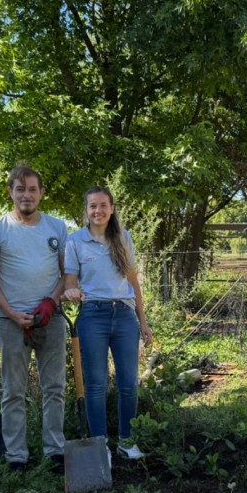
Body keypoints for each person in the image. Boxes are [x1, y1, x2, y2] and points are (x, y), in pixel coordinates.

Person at [62, 186, 153, 459]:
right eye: (92, 206)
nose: (98, 211)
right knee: (96, 384)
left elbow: (134, 283)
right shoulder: (75, 241)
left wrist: (143, 322)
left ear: (112, 209)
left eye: (103, 205)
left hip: (124, 316)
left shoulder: (123, 238)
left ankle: (127, 441)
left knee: (129, 382)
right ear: (86, 210)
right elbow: (69, 282)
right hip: (92, 316)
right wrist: (71, 292)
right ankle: (99, 445)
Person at [0, 164, 69, 472]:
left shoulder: (57, 228)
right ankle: (16, 456)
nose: (26, 195)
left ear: (41, 193)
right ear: (10, 192)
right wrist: (10, 313)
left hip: (52, 318)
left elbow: (67, 274)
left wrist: (51, 301)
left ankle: (55, 449)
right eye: (20, 189)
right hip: (12, 322)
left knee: (54, 387)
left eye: (32, 189)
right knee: (13, 391)